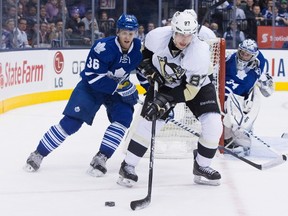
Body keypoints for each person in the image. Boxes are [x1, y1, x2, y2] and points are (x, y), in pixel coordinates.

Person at [24, 14, 142, 177]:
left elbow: (144, 71)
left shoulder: (138, 49)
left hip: (116, 89)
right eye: (124, 32)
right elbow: (93, 77)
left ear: (135, 33)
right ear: (118, 32)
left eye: (131, 33)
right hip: (92, 88)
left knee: (124, 118)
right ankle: (38, 153)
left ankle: (101, 157)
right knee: (72, 122)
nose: (127, 36)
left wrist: (152, 92)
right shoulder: (102, 47)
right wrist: (121, 87)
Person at [117, 10, 223, 187]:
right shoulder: (156, 37)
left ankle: (202, 166)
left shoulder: (200, 54)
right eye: (180, 33)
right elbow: (143, 53)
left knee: (213, 123)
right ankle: (128, 165)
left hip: (197, 86)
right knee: (149, 121)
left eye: (188, 35)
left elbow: (190, 92)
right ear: (172, 30)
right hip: (166, 82)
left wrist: (165, 101)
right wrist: (148, 68)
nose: (184, 39)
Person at [223, 39, 273, 155]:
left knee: (239, 122)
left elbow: (268, 92)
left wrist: (264, 83)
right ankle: (226, 138)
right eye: (243, 53)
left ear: (253, 56)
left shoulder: (257, 70)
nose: (244, 56)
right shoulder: (228, 60)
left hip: (240, 103)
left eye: (248, 54)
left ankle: (238, 140)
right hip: (222, 99)